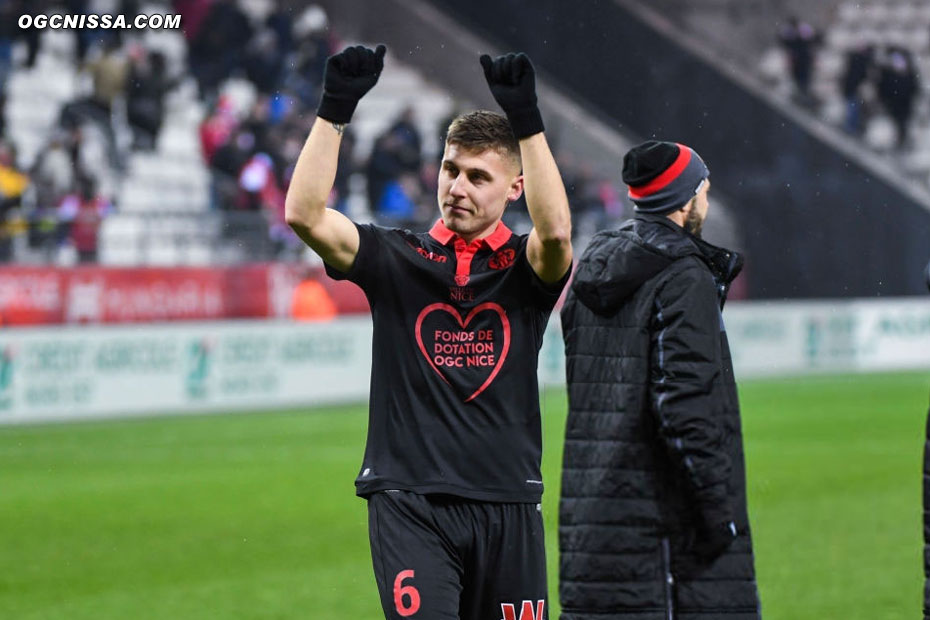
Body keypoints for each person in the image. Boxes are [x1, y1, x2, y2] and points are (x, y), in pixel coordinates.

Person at [285, 44, 572, 620]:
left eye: (478, 176)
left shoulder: (524, 268)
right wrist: (335, 108)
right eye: (450, 169)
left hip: (509, 500)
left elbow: (558, 234)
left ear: (513, 189)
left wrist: (528, 122)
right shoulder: (396, 257)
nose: (457, 187)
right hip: (409, 500)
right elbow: (305, 214)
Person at [558, 141, 760, 619]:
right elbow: (685, 409)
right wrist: (720, 517)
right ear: (686, 200)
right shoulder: (683, 276)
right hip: (667, 546)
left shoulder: (593, 267)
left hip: (596, 530)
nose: (706, 203)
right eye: (704, 191)